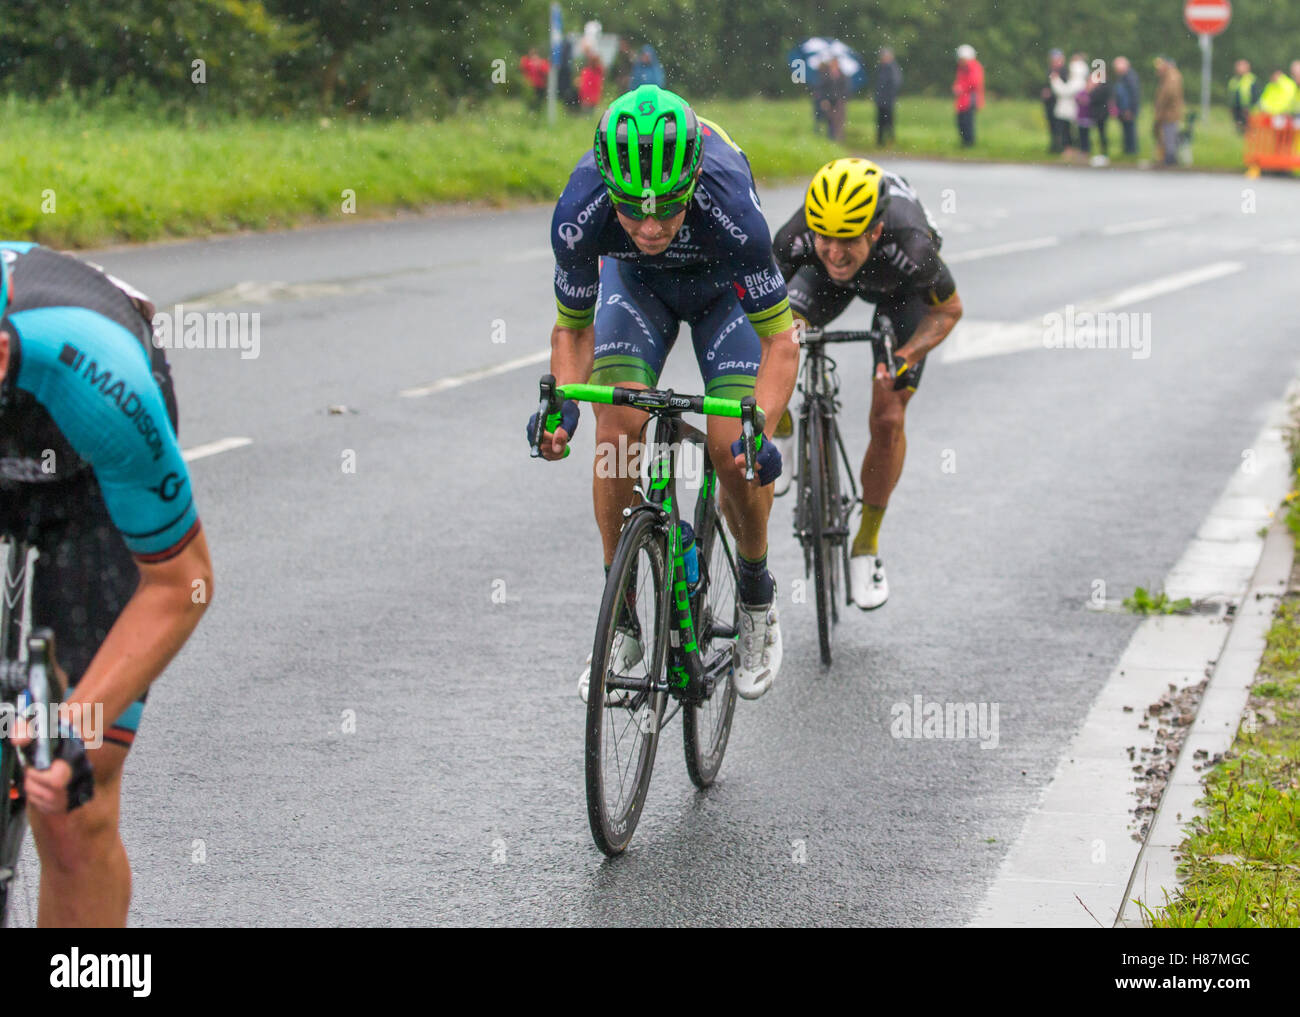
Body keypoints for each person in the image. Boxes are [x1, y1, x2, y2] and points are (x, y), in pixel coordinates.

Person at [533, 85, 798, 700]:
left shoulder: (732, 203)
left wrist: (764, 426)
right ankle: (620, 615)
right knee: (616, 427)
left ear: (693, 183)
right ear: (608, 190)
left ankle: (756, 594)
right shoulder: (580, 209)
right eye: (631, 212)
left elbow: (782, 343)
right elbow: (572, 329)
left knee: (733, 448)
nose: (650, 228)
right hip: (639, 292)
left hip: (722, 294)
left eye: (667, 211)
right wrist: (562, 409)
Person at [0, 244, 212, 926]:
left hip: (87, 474)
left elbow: (183, 583)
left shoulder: (101, 375)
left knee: (72, 803)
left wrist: (68, 725)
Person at [770, 160, 963, 609]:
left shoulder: (912, 244)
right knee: (781, 337)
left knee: (889, 413)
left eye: (847, 240)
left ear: (874, 232)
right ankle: (782, 429)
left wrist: (905, 357)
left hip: (899, 292)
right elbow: (761, 315)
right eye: (825, 238)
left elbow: (948, 310)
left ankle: (866, 546)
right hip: (823, 286)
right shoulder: (796, 238)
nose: (834, 251)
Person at [1051, 54, 1086, 155]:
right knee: (1069, 131)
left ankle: (1071, 150)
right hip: (1070, 110)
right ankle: (1072, 149)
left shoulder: (1077, 81)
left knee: (1069, 131)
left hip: (1070, 111)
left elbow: (1064, 91)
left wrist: (1055, 81)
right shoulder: (1077, 81)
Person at [1153, 57, 1185, 166]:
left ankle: (1170, 158)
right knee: (1167, 134)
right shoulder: (1170, 76)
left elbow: (1169, 94)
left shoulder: (1172, 77)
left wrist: (1161, 106)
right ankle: (1168, 157)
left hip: (1169, 112)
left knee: (1169, 134)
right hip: (1169, 111)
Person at [952, 44, 984, 147]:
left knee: (967, 122)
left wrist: (961, 88)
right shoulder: (962, 68)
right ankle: (964, 143)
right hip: (962, 101)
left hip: (969, 100)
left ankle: (969, 143)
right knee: (961, 122)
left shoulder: (973, 67)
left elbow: (974, 82)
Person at [873, 48, 903, 147]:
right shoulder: (880, 67)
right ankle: (880, 142)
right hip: (881, 100)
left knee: (889, 122)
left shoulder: (893, 68)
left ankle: (890, 141)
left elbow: (896, 83)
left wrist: (889, 95)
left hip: (888, 100)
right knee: (880, 122)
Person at [816, 58, 850, 141]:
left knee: (839, 120)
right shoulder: (826, 75)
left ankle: (838, 138)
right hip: (829, 101)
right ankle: (831, 138)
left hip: (839, 101)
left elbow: (846, 88)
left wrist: (843, 98)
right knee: (830, 119)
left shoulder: (842, 75)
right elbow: (822, 89)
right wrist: (824, 100)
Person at [1113, 56, 1141, 156]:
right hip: (1123, 109)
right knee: (1126, 131)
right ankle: (1127, 151)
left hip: (1128, 110)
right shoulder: (1123, 77)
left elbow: (1134, 95)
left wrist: (1130, 110)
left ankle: (1132, 151)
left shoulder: (1130, 77)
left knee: (1130, 131)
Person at [1042, 50, 1066, 153]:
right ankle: (1054, 146)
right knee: (1052, 125)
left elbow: (1064, 88)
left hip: (1060, 103)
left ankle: (1062, 146)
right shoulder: (1049, 71)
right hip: (1049, 104)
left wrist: (1050, 93)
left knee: (1060, 126)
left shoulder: (1065, 72)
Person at [1229, 59, 1261, 133]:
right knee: (1240, 131)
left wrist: (1249, 108)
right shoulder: (1234, 80)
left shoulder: (1251, 79)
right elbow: (1232, 96)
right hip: (1237, 110)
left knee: (1249, 132)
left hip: (1248, 111)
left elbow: (1256, 96)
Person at [1088, 69, 1112, 164]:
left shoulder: (1104, 86)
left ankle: (1104, 152)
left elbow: (1094, 97)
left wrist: (1092, 88)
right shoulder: (1103, 86)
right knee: (1099, 133)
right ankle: (1099, 152)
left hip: (1101, 113)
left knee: (1102, 133)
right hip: (1098, 113)